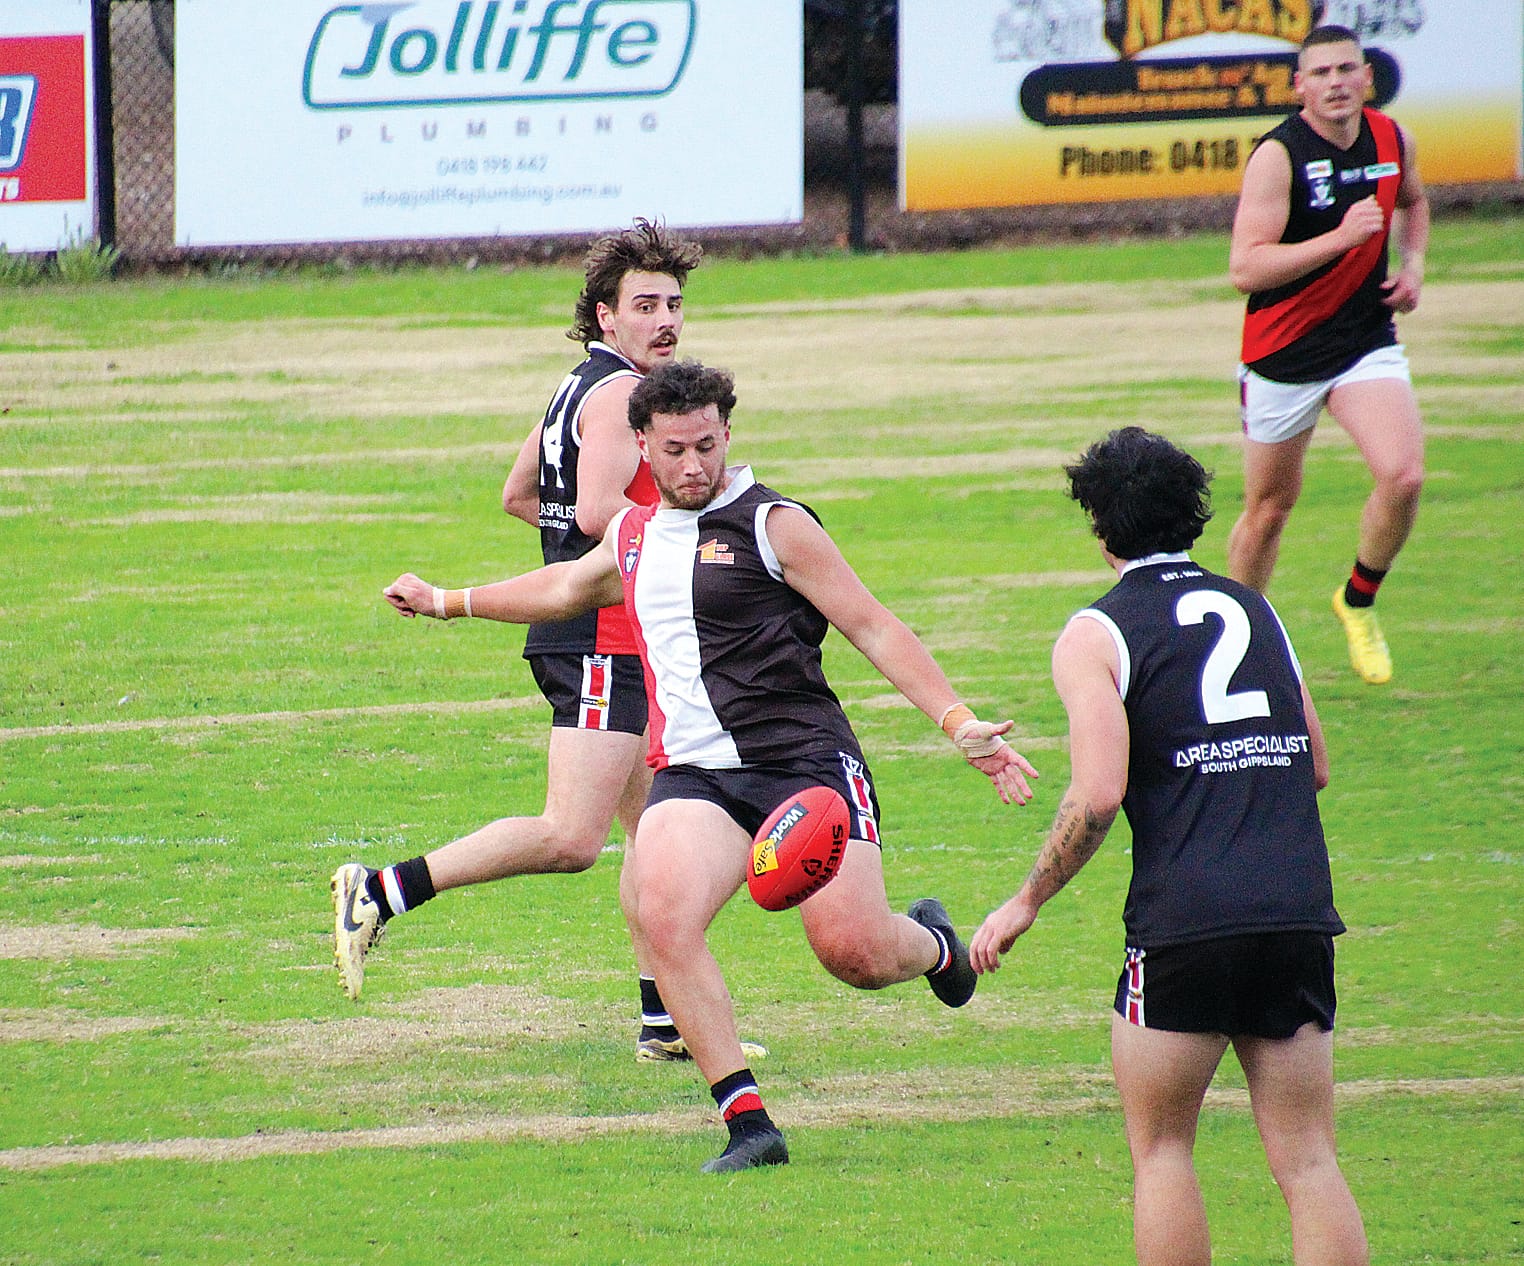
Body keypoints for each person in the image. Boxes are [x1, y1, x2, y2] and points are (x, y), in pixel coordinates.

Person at [383, 359, 1039, 1172]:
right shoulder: (631, 534)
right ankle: (748, 1123)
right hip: (696, 776)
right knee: (661, 914)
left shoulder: (776, 526)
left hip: (804, 766)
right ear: (642, 450)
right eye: (674, 451)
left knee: (854, 954)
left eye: (706, 445)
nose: (693, 466)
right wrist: (446, 600)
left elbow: (872, 625)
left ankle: (935, 946)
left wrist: (958, 720)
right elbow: (562, 590)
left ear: (728, 434)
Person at [332, 219, 762, 1065]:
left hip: (610, 628)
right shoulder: (615, 398)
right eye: (645, 305)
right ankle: (380, 890)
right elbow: (602, 510)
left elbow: (520, 492)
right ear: (606, 315)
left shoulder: (580, 385)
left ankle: (664, 1019)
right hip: (599, 636)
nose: (666, 319)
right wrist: (676, 540)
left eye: (674, 303)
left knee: (657, 829)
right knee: (571, 837)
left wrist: (575, 554)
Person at [972, 427, 1367, 1266]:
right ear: (1192, 515)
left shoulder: (1095, 633)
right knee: (1308, 1157)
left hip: (1185, 917)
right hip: (1296, 908)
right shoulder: (1256, 608)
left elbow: (1099, 791)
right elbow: (1318, 764)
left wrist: (1026, 901)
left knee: (1163, 1152)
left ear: (1099, 526)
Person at [1226, 23, 1429, 685]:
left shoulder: (1392, 138)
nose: (1336, 83)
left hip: (1365, 340)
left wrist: (1414, 264)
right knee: (1269, 511)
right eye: (1321, 73)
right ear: (1299, 86)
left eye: (1347, 70)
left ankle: (1358, 600)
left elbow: (1416, 202)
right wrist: (1341, 239)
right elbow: (1247, 269)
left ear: (1367, 77)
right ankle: (1237, 640)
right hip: (1283, 351)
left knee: (1403, 476)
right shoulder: (1278, 156)